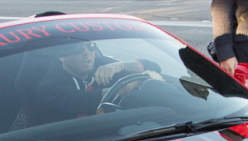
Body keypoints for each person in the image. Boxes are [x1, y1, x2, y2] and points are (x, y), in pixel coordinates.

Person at [30, 42, 161, 124]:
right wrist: (135, 84)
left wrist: (120, 65)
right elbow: (81, 101)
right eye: (77, 49)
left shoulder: (100, 71)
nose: (86, 53)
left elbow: (155, 67)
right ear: (62, 56)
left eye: (91, 47)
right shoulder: (49, 86)